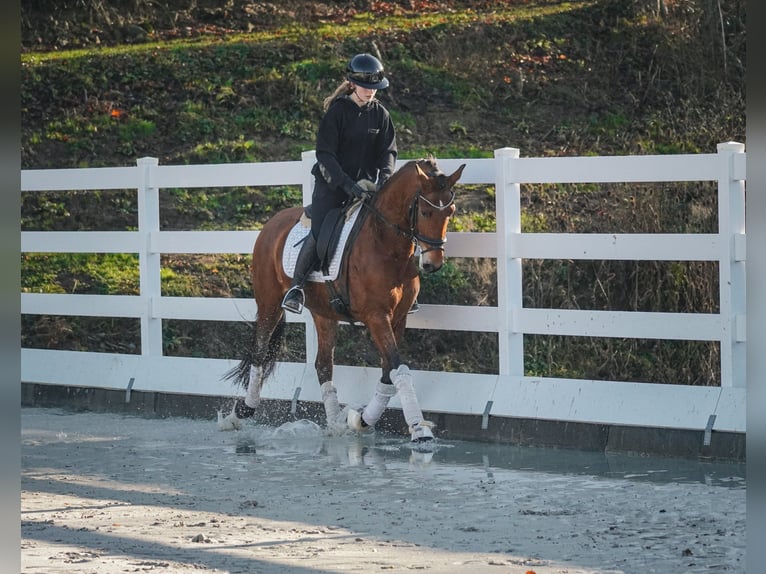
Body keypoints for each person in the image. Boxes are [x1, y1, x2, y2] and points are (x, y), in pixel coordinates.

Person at [281, 52, 400, 314]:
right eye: (366, 88)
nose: (370, 93)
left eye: (374, 89)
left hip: (367, 187)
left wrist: (386, 177)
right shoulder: (337, 113)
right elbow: (326, 155)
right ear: (352, 85)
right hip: (332, 185)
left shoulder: (380, 114)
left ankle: (400, 289)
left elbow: (388, 151)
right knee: (321, 229)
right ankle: (296, 288)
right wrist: (346, 184)